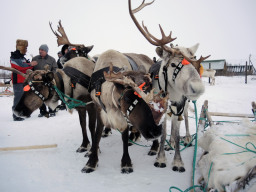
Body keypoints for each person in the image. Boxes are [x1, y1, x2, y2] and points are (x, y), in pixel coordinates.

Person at [10, 39, 38, 121]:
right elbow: (21, 66)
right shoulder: (14, 56)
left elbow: (26, 66)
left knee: (24, 98)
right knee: (18, 98)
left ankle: (21, 113)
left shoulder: (22, 57)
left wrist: (30, 65)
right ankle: (15, 115)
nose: (26, 50)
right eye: (25, 48)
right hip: (18, 81)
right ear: (21, 48)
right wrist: (30, 64)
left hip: (24, 81)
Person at [32, 44, 58, 117]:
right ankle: (43, 111)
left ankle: (52, 110)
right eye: (39, 50)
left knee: (50, 95)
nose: (40, 51)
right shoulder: (35, 59)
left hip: (48, 81)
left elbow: (55, 69)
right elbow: (32, 69)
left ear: (46, 51)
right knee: (39, 96)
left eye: (42, 50)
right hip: (38, 81)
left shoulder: (52, 59)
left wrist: (50, 75)